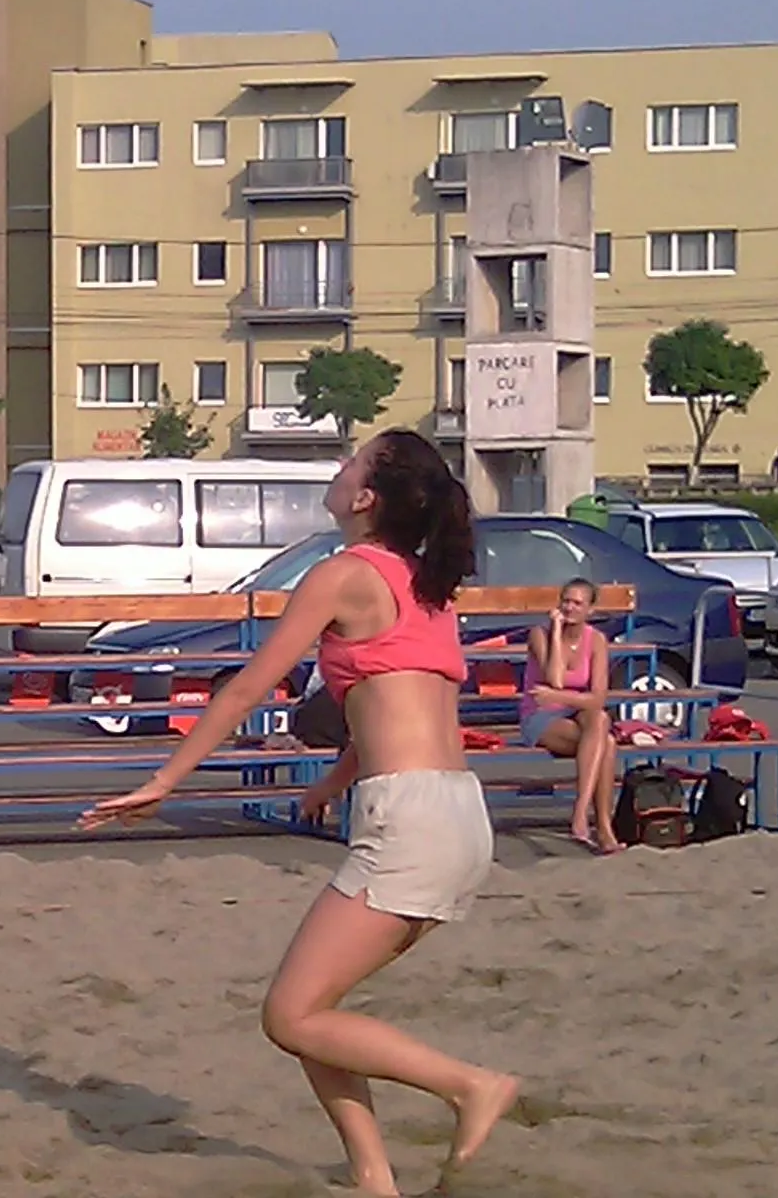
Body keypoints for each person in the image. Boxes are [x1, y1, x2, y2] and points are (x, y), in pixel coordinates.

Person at [79, 429, 519, 1193]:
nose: (338, 470)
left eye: (352, 462)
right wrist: (336, 780)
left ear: (366, 497)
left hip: (411, 819)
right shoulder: (423, 582)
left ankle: (470, 1085)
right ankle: (372, 1175)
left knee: (290, 1015)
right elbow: (403, 701)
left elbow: (248, 689)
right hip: (455, 812)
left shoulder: (343, 573)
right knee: (315, 1006)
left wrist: (165, 780)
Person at [521, 578, 619, 854]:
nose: (570, 607)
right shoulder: (539, 634)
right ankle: (600, 826)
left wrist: (559, 697)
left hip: (577, 713)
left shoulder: (597, 640)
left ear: (590, 610)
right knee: (606, 743)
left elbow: (598, 698)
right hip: (541, 715)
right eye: (566, 601)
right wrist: (556, 631)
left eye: (577, 603)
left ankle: (583, 812)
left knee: (600, 720)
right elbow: (555, 678)